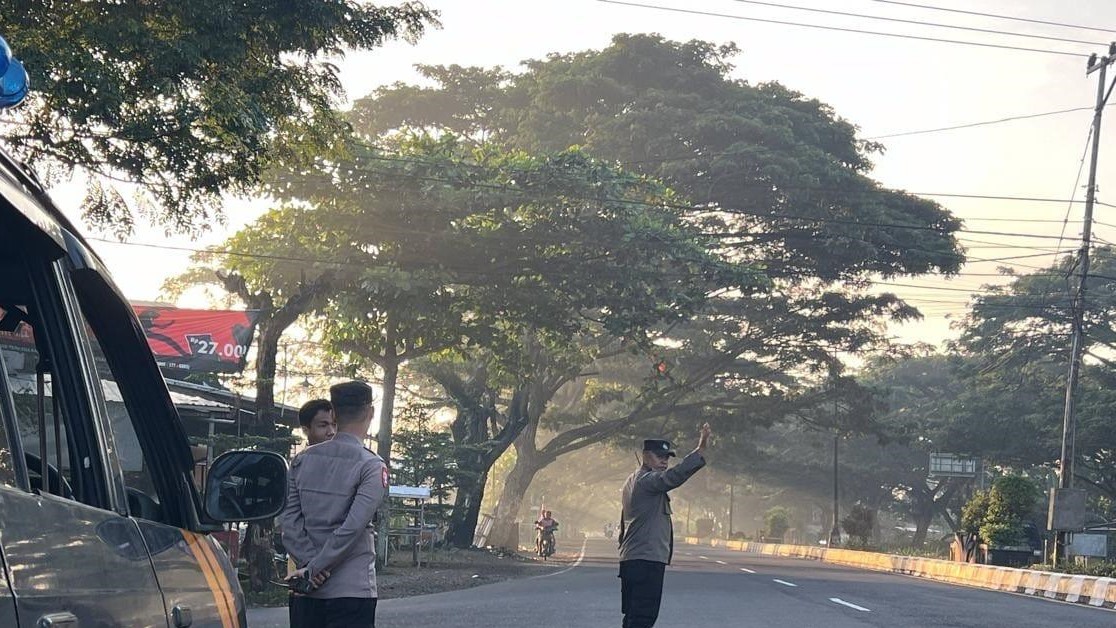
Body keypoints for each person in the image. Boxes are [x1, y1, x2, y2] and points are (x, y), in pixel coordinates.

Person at [280, 381, 388, 628]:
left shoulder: (301, 461)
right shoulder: (371, 465)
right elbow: (352, 528)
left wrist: (309, 567)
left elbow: (289, 522)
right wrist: (315, 568)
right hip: (351, 590)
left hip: (306, 591)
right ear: (370, 412)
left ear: (334, 414)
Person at [618, 423, 711, 628]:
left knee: (633, 617)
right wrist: (700, 449)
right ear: (645, 456)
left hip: (632, 559)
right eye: (659, 456)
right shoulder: (647, 481)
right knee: (643, 618)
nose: (664, 461)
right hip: (646, 560)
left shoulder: (631, 481)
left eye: (667, 458)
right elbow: (673, 476)